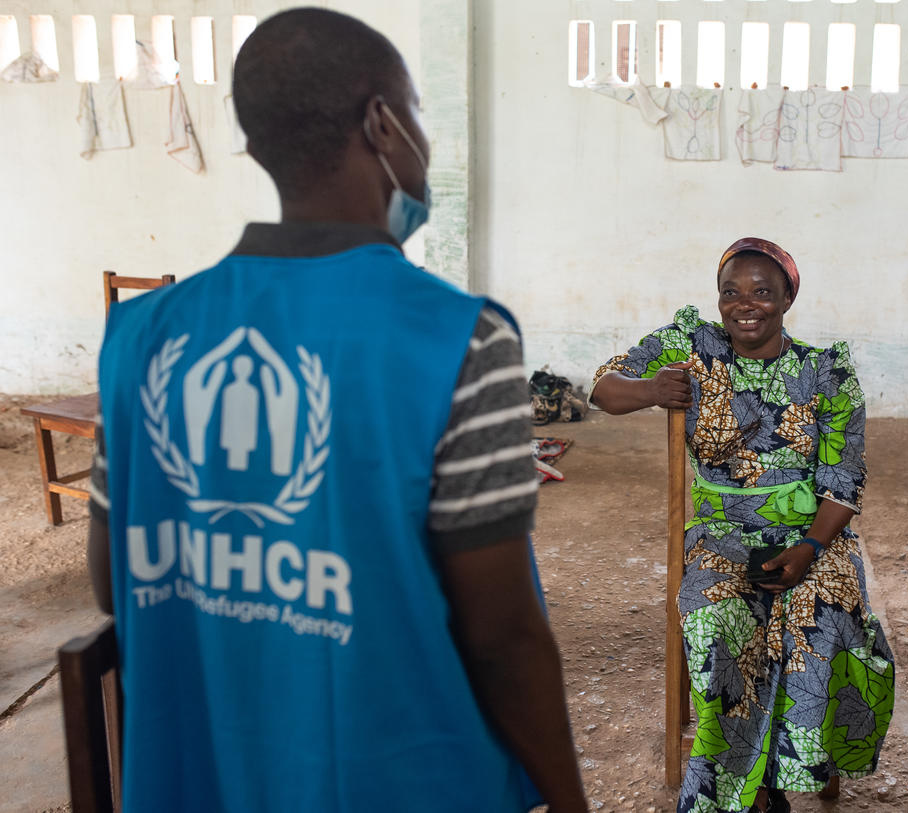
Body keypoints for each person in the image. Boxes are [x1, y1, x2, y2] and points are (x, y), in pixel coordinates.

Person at [85, 9, 586, 812]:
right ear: (384, 124)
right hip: (406, 779)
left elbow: (116, 585)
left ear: (256, 146)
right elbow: (503, 637)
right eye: (419, 113)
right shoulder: (459, 338)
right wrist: (571, 801)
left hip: (202, 779)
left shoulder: (140, 339)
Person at [590, 238, 894, 813]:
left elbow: (843, 483)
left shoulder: (825, 375)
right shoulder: (692, 346)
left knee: (820, 618)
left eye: (761, 292)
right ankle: (748, 794)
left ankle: (769, 780)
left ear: (786, 299)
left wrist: (807, 548)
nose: (743, 304)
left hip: (814, 536)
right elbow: (603, 388)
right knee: (716, 616)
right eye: (731, 292)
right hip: (720, 534)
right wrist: (654, 390)